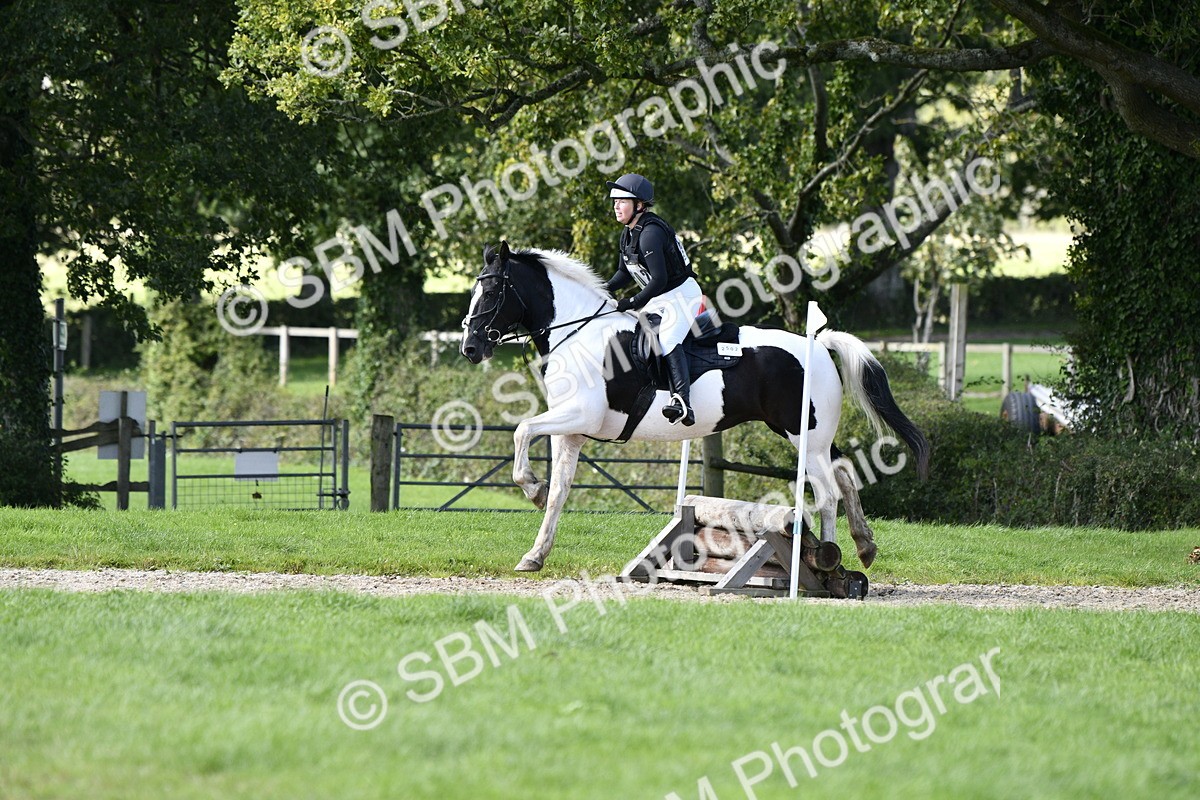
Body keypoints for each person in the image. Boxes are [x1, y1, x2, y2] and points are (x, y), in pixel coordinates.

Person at [603, 173, 703, 426]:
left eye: (622, 201)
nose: (615, 206)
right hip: (659, 297)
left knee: (668, 338)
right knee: (634, 333)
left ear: (639, 204)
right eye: (614, 201)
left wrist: (632, 302)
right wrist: (602, 289)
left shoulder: (650, 233)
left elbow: (658, 279)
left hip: (682, 295)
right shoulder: (627, 234)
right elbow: (624, 273)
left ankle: (682, 402)